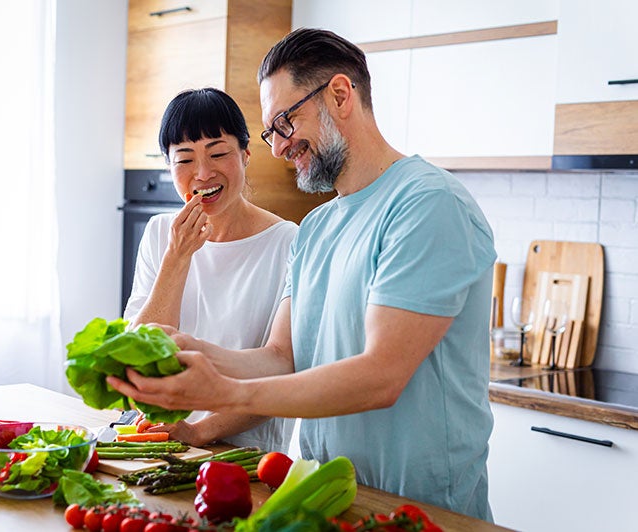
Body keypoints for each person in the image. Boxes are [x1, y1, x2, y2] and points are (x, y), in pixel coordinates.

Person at [109, 28, 497, 521]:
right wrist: (191, 352)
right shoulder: (316, 228)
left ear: (339, 95)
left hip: (419, 508)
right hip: (323, 496)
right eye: (272, 132)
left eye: (285, 123)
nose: (278, 148)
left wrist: (221, 394)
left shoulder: (427, 204)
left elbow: (381, 376)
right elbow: (281, 357)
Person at [123, 87, 297, 454]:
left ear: (246, 154)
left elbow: (283, 370)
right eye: (184, 160)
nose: (203, 173)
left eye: (218, 153)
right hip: (160, 446)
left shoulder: (289, 242)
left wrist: (199, 431)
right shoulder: (159, 234)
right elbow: (137, 359)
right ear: (169, 167)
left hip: (246, 457)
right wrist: (177, 257)